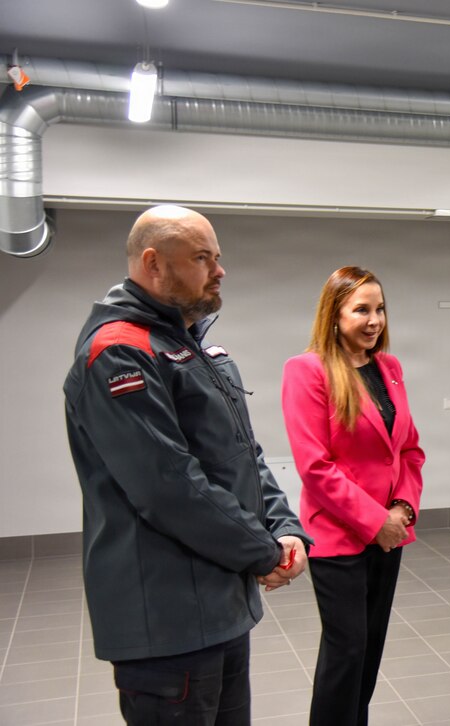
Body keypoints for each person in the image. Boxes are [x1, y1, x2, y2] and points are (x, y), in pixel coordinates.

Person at [63, 205, 310, 725]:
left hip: (219, 605)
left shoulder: (189, 345)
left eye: (216, 257)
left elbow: (243, 452)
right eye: (202, 258)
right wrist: (263, 552)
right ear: (153, 263)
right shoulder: (119, 352)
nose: (219, 271)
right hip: (168, 620)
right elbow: (170, 487)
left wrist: (284, 527)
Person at [281, 266, 425, 725]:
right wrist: (376, 521)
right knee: (346, 652)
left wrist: (401, 509)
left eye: (380, 309)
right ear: (334, 314)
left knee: (369, 650)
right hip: (339, 537)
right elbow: (315, 466)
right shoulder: (307, 370)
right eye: (361, 309)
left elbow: (408, 450)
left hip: (390, 534)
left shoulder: (389, 368)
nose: (374, 320)